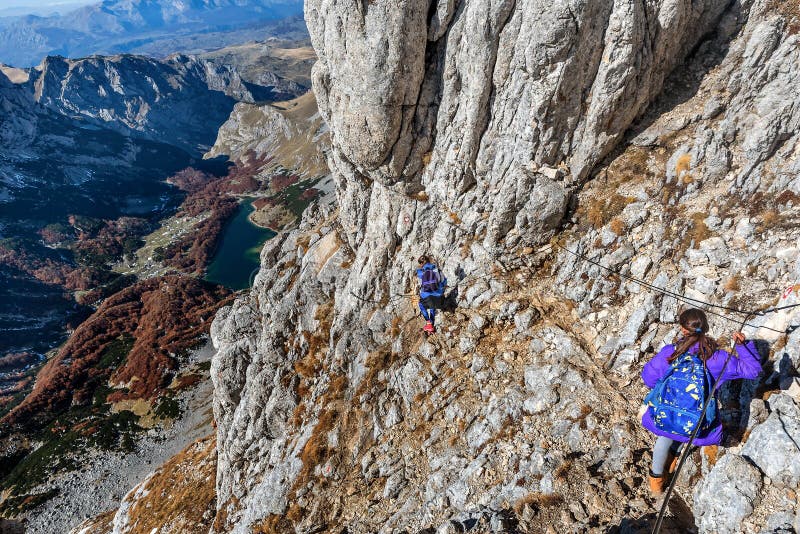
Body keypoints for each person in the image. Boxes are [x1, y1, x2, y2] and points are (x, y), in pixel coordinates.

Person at [641, 308, 761, 495]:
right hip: (700, 427)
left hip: (667, 417)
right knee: (691, 421)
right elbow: (753, 370)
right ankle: (674, 456)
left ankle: (656, 482)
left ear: (682, 329)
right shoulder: (718, 358)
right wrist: (742, 346)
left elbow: (648, 378)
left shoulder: (670, 353)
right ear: (705, 327)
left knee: (665, 434)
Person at [415, 255, 447, 334]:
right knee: (432, 304)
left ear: (421, 263)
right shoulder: (436, 269)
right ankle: (431, 324)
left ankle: (428, 322)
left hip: (427, 296)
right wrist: (441, 288)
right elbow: (444, 281)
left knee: (421, 304)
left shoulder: (421, 272)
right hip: (438, 296)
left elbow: (421, 284)